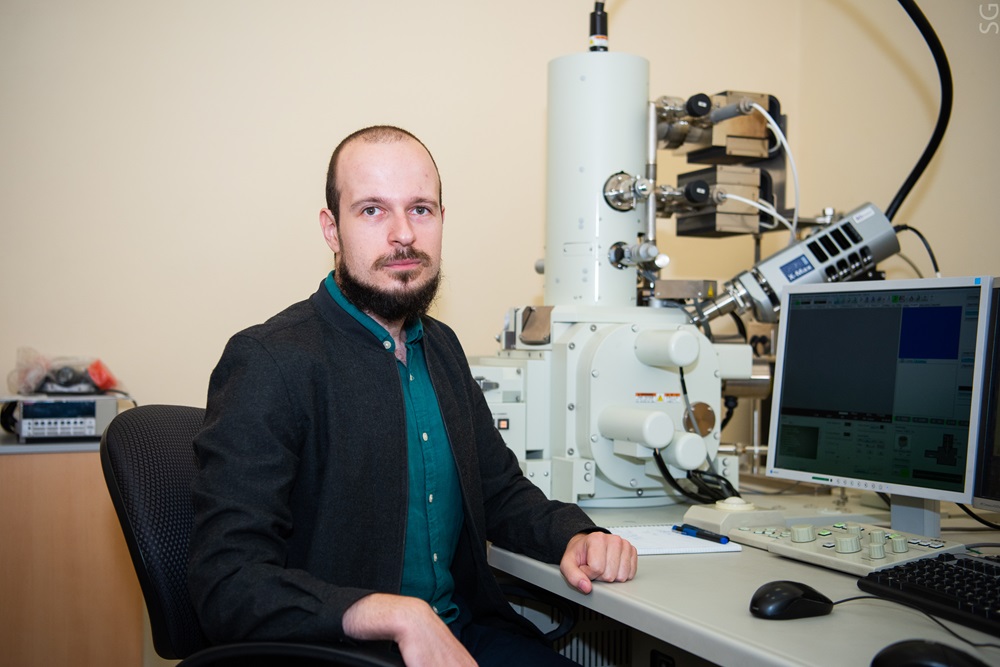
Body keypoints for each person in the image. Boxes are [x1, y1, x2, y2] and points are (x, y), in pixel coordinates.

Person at [187, 125, 638, 667]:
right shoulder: (269, 361)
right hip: (337, 651)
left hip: (461, 634)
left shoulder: (440, 347)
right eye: (372, 210)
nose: (403, 234)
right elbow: (228, 580)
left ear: (443, 219)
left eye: (420, 209)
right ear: (332, 229)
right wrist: (390, 614)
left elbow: (498, 493)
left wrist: (576, 534)